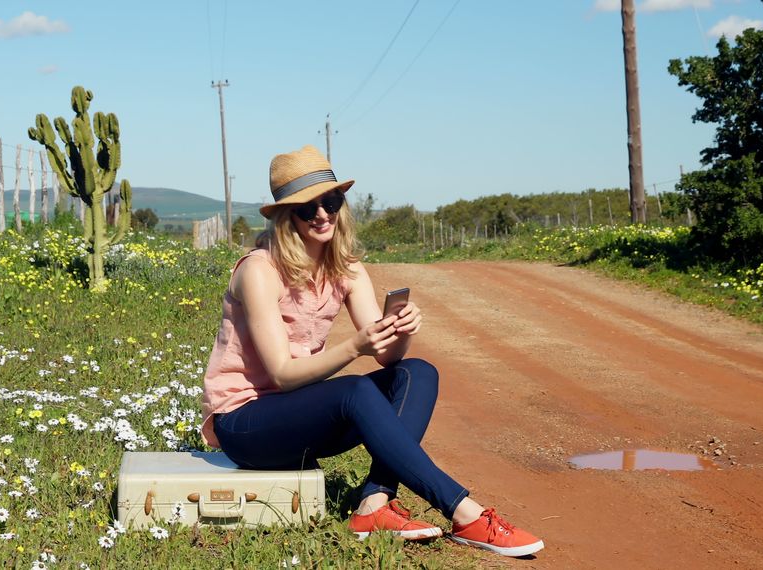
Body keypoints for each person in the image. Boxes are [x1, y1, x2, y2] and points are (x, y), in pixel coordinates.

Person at [200, 145, 544, 558]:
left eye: (330, 202)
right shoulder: (259, 270)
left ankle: (374, 504)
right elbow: (281, 374)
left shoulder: (347, 268)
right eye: (307, 209)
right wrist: (355, 346)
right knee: (353, 391)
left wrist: (399, 330)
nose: (322, 215)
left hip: (299, 417)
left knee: (417, 372)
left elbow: (387, 357)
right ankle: (465, 512)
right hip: (244, 424)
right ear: (285, 217)